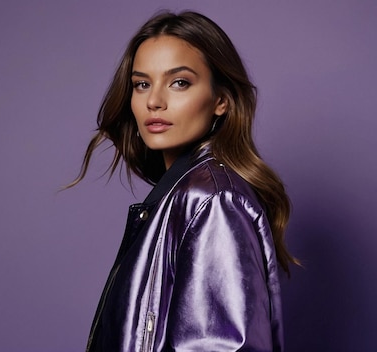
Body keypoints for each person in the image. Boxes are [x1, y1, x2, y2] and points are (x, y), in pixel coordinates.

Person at [68, 10, 298, 352]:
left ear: (221, 100)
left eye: (179, 82)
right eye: (141, 84)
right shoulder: (179, 197)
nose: (154, 102)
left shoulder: (213, 200)